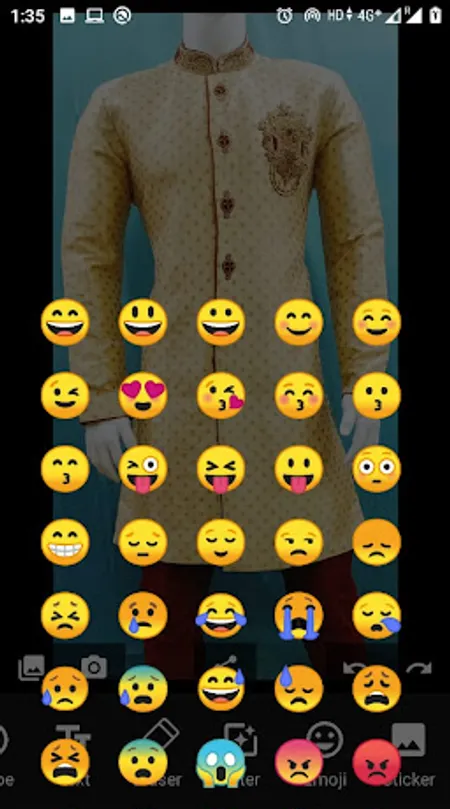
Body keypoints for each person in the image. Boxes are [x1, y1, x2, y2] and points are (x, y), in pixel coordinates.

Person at [62, 13, 388, 678]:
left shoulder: (316, 93)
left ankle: (360, 733)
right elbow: (89, 253)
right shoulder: (121, 106)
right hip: (173, 400)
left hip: (286, 397)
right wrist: (98, 395)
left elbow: (356, 240)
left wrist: (367, 375)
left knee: (334, 603)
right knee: (165, 610)